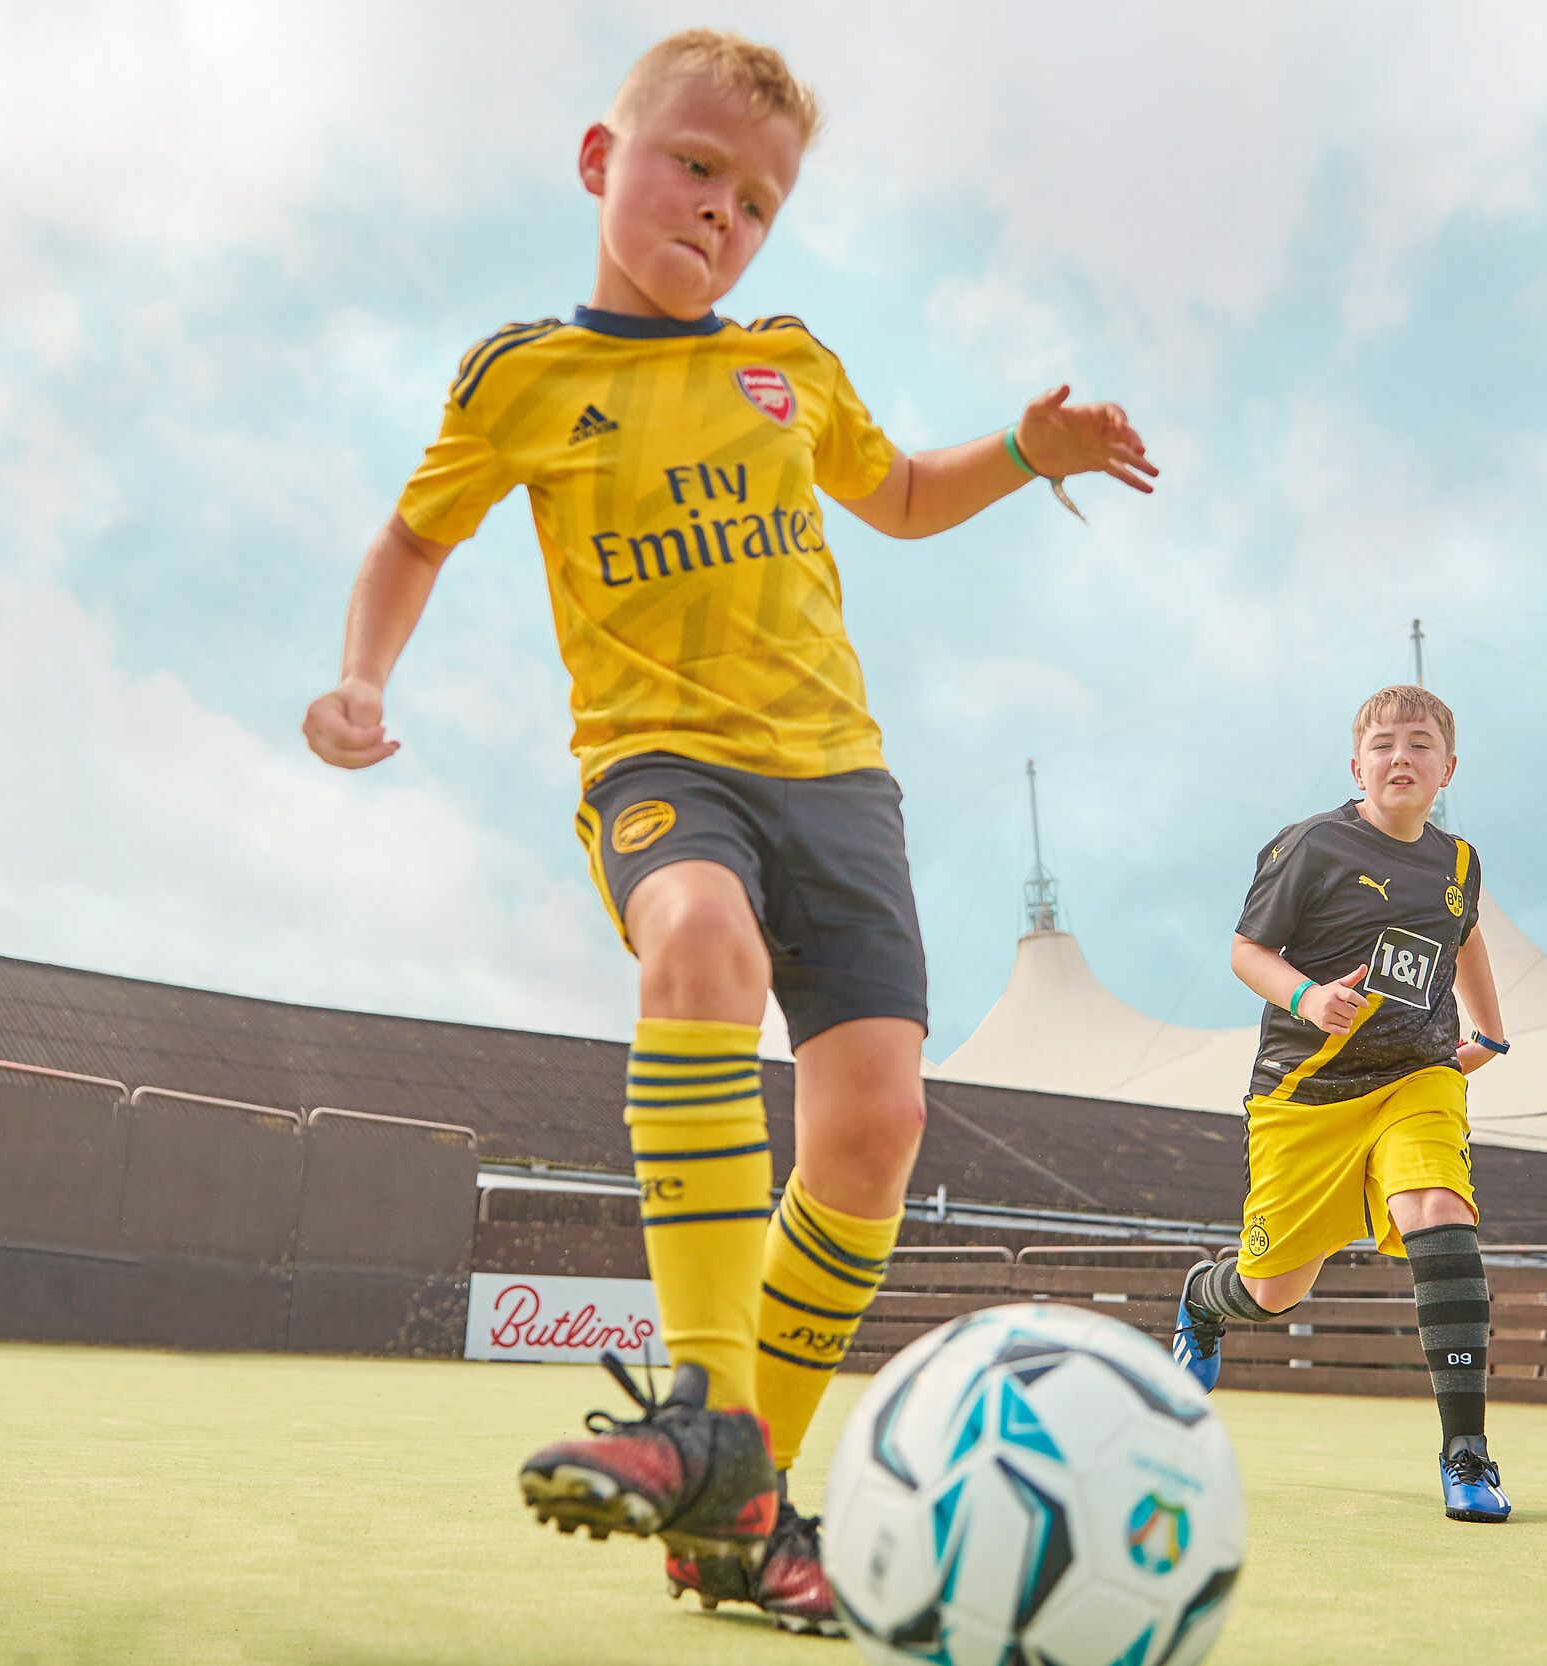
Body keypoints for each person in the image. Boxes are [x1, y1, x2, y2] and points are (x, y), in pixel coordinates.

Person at [300, 28, 1154, 1635]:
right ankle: (702, 1406)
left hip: (839, 784)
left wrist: (1024, 449)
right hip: (660, 763)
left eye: (756, 200)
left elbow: (895, 492)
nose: (721, 212)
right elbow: (412, 539)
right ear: (598, 161)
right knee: (696, 940)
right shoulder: (523, 378)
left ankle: (737, 1512)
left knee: (876, 1126)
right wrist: (358, 676)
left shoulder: (790, 364)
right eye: (695, 167)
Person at [1171, 684, 1513, 1522]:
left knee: (1438, 1208)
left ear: (1448, 768)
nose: (1402, 756)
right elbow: (1247, 950)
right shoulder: (1309, 846)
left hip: (1417, 1077)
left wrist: (1491, 1035)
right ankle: (1201, 1299)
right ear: (1356, 764)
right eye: (1386, 744)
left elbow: (1463, 935)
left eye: (1421, 744)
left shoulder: (1459, 861)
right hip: (1304, 1098)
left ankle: (1466, 1454)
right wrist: (1306, 999)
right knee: (1273, 1292)